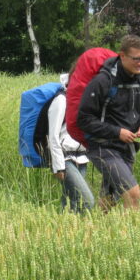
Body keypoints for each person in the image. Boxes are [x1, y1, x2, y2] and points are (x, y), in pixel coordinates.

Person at [77, 35, 140, 210]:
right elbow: (84, 119)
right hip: (102, 148)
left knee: (110, 199)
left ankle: (98, 231)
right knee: (133, 194)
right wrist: (117, 132)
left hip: (127, 148)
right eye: (136, 59)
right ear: (122, 56)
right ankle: (134, 237)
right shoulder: (102, 82)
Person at [47, 72, 94, 212]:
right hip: (65, 158)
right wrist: (58, 166)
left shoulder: (83, 101)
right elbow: (53, 136)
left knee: (71, 202)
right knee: (87, 201)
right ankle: (82, 231)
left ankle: (63, 231)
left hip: (82, 158)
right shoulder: (61, 100)